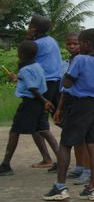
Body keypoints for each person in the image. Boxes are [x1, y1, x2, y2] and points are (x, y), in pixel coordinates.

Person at [42, 29, 94, 201]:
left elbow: (67, 84)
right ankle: (93, 187)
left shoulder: (80, 60)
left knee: (66, 144)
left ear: (87, 44)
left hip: (79, 106)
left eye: (80, 43)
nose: (77, 46)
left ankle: (60, 187)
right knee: (93, 145)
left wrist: (60, 106)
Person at [0, 40, 54, 177]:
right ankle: (60, 158)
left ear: (21, 54)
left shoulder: (25, 69)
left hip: (31, 102)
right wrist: (18, 78)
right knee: (41, 130)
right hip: (38, 102)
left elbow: (32, 88)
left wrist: (44, 101)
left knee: (14, 131)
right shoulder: (37, 65)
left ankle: (5, 165)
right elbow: (32, 81)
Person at [53, 32, 91, 185]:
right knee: (75, 138)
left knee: (84, 138)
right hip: (68, 102)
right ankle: (80, 166)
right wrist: (59, 108)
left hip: (80, 102)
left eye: (75, 43)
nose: (72, 46)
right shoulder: (66, 62)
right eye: (69, 43)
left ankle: (87, 171)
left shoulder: (84, 61)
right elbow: (64, 88)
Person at [26, 15, 61, 170]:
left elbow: (24, 59)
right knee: (44, 121)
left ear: (34, 29)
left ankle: (60, 158)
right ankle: (48, 158)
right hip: (54, 83)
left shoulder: (35, 44)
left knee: (39, 124)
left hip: (42, 85)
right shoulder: (52, 41)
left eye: (30, 25)